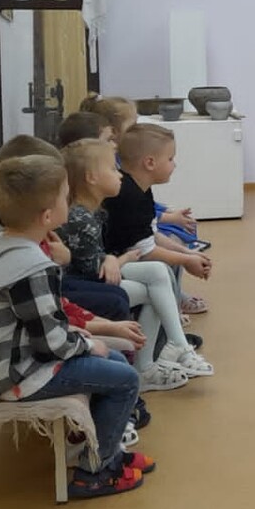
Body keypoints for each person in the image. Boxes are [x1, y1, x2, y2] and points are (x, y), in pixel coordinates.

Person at [0, 155, 151, 499]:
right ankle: (95, 473)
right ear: (47, 216)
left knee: (113, 359)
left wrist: (82, 337)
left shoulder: (4, 247)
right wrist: (89, 344)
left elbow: (42, 321)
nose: (70, 199)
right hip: (16, 376)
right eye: (66, 195)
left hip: (3, 366)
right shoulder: (31, 266)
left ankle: (106, 451)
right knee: (126, 379)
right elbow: (51, 343)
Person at [60, 139, 214, 391]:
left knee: (157, 273)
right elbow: (93, 270)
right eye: (113, 169)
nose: (120, 174)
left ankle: (168, 350)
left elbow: (102, 259)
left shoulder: (96, 211)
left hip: (98, 275)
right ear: (91, 178)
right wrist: (118, 259)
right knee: (154, 284)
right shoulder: (80, 217)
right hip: (82, 284)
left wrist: (113, 259)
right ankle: (153, 362)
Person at [103, 124, 215, 311]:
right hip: (115, 262)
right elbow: (145, 251)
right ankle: (171, 318)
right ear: (150, 163)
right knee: (163, 267)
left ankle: (175, 306)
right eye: (170, 159)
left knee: (176, 250)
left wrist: (189, 254)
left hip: (128, 255)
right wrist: (186, 260)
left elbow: (151, 234)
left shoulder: (141, 189)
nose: (174, 165)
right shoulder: (129, 196)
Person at [81, 94, 208, 258]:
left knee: (180, 232)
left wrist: (166, 213)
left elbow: (145, 211)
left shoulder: (128, 172)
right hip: (119, 250)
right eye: (133, 125)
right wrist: (184, 256)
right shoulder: (116, 170)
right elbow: (133, 214)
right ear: (114, 131)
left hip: (137, 233)